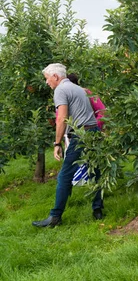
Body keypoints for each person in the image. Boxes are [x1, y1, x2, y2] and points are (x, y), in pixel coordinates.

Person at [32, 63, 103, 228]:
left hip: (81, 135)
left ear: (55, 76)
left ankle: (55, 217)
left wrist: (57, 143)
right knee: (97, 171)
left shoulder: (60, 90)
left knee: (64, 175)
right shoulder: (79, 88)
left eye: (47, 78)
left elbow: (61, 118)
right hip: (93, 132)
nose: (47, 82)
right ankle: (97, 209)